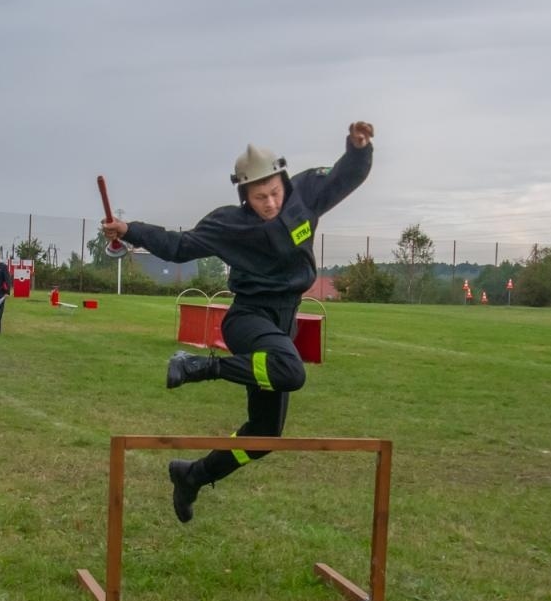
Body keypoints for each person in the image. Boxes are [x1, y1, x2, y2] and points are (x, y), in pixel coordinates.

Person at [102, 121, 374, 523]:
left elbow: (345, 177)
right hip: (248, 318)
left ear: (284, 181)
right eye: (260, 197)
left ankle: (192, 476)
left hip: (284, 321)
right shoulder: (229, 223)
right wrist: (130, 230)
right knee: (290, 370)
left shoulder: (306, 195)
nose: (270, 203)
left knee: (264, 436)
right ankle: (199, 365)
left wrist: (358, 148)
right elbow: (179, 246)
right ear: (244, 196)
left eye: (275, 193)